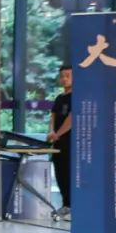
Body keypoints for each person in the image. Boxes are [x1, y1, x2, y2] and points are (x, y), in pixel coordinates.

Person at [47, 65, 73, 221]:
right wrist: (51, 132)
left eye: (68, 75)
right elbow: (53, 117)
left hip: (70, 142)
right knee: (60, 173)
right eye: (62, 76)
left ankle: (73, 207)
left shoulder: (77, 97)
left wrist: (58, 134)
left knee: (69, 173)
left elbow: (71, 119)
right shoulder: (59, 98)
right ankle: (66, 204)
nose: (64, 79)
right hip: (58, 143)